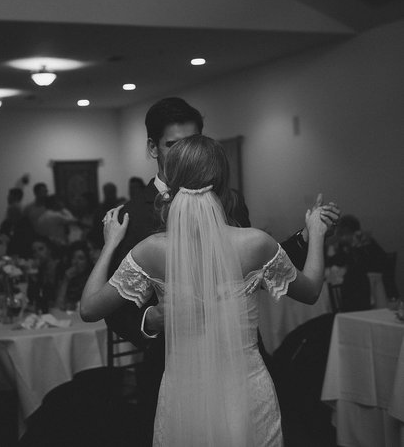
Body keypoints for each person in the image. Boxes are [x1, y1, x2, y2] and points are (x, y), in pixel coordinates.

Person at [103, 96, 340, 442]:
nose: (185, 154)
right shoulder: (130, 216)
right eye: (173, 145)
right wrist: (150, 320)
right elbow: (109, 305)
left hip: (238, 368)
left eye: (192, 143)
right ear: (153, 148)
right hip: (175, 370)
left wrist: (307, 236)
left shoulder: (229, 201)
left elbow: (256, 269)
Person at [325, 213, 389, 310]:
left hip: (369, 287)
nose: (340, 237)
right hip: (355, 284)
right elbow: (338, 261)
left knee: (352, 282)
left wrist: (353, 249)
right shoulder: (345, 246)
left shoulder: (367, 244)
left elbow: (374, 263)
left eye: (342, 234)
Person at [55, 241, 92, 311]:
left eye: (81, 258)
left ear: (88, 261)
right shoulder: (68, 275)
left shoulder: (91, 279)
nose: (76, 262)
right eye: (73, 258)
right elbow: (58, 304)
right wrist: (66, 280)